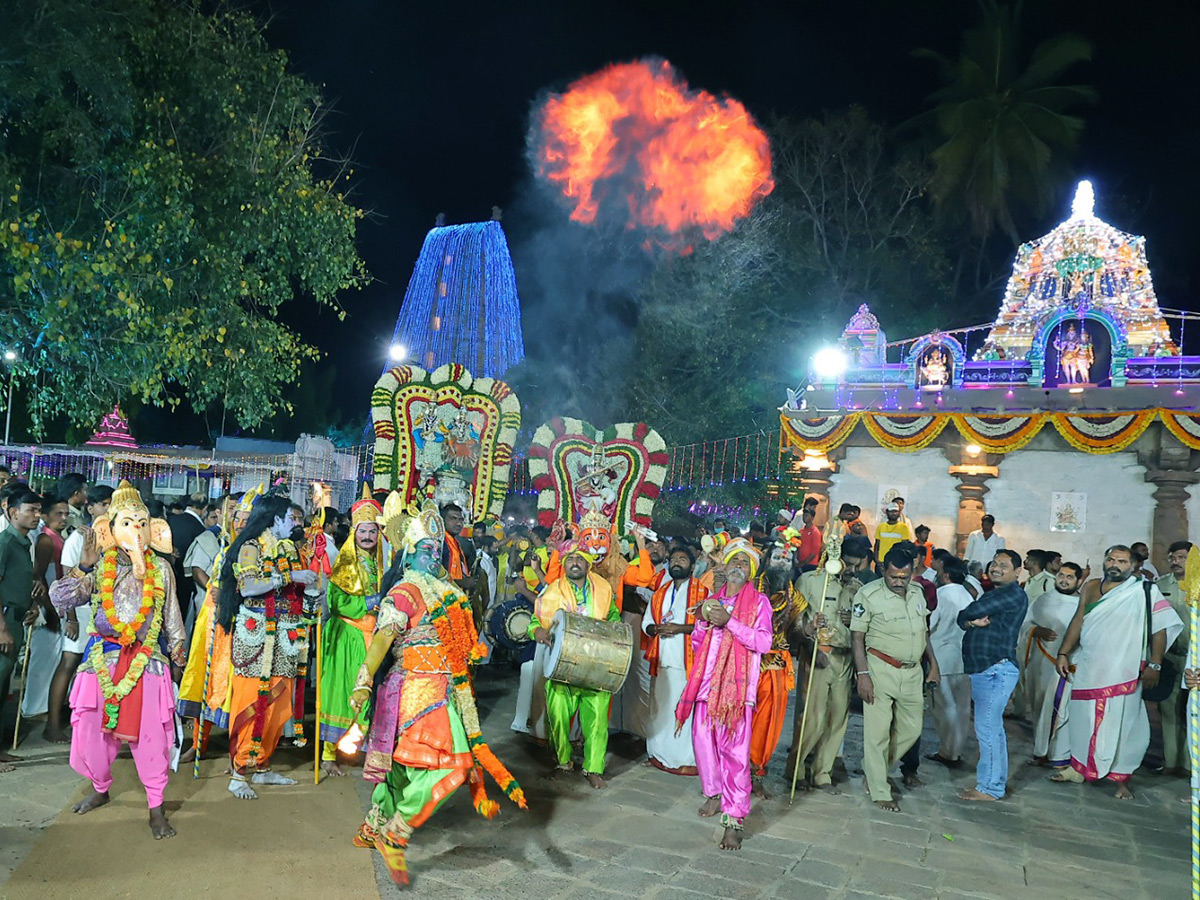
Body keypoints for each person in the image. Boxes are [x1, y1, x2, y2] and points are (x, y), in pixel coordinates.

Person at [349, 501, 526, 886]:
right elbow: (382, 639)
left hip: (444, 686)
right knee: (453, 765)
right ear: (408, 553)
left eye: (436, 550)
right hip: (414, 688)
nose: (432, 555)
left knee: (401, 767)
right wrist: (363, 682)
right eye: (424, 549)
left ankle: (371, 827)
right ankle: (396, 832)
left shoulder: (446, 590)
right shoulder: (406, 591)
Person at [48, 481, 185, 838]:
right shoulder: (99, 567)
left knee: (153, 740)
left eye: (142, 523)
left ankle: (156, 809)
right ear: (109, 529)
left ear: (153, 529)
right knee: (91, 736)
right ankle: (100, 787)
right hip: (101, 660)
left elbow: (173, 621)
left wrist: (180, 658)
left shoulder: (162, 570)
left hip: (147, 662)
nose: (136, 531)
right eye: (127, 523)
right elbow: (60, 599)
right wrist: (82, 567)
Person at [1053, 545, 1182, 798]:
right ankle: (1078, 768)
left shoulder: (1145, 590)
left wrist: (1155, 664)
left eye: (1122, 561)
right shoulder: (1091, 587)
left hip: (1125, 670)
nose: (1115, 564)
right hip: (1089, 666)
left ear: (1133, 566)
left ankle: (1121, 779)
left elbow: (1160, 629)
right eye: (1111, 559)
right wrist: (1063, 652)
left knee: (1124, 724)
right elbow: (1078, 620)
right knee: (1081, 719)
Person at [214, 492, 319, 799]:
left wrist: (311, 592)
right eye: (291, 518)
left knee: (279, 700)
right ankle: (238, 773)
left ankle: (262, 766)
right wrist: (290, 576)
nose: (295, 524)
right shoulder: (251, 548)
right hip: (257, 635)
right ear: (275, 520)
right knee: (253, 701)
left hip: (286, 634)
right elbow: (249, 588)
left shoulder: (288, 549)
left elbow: (296, 590)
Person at [675, 538, 772, 851]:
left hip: (736, 692)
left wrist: (730, 622)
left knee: (735, 756)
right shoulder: (711, 600)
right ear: (724, 566)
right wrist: (704, 622)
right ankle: (715, 792)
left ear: (751, 572)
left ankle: (734, 819)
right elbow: (697, 643)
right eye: (734, 561)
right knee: (703, 745)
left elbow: (763, 642)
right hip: (705, 687)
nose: (738, 567)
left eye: (745, 563)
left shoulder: (759, 603)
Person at [850, 546, 940, 812]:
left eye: (904, 576)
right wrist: (863, 675)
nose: (899, 582)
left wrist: (933, 665)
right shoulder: (867, 595)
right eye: (893, 577)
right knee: (877, 733)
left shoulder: (918, 593)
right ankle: (879, 790)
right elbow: (857, 637)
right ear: (883, 571)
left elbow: (923, 633)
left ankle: (873, 769)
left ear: (912, 571)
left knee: (912, 729)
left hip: (913, 672)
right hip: (879, 668)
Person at [530, 537, 622, 789]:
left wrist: (614, 626)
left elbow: (612, 614)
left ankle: (593, 769)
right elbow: (534, 621)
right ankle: (563, 762)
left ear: (588, 564)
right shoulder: (552, 590)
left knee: (596, 719)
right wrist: (537, 630)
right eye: (569, 558)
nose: (574, 562)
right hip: (563, 664)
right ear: (564, 563)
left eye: (580, 558)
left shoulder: (603, 588)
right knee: (557, 713)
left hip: (597, 662)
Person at [955, 549, 1028, 801]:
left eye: (1004, 565)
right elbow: (966, 617)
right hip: (987, 667)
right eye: (994, 563)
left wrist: (968, 618)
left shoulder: (1011, 594)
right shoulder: (998, 592)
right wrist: (970, 622)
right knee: (990, 728)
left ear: (1018, 572)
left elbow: (969, 611)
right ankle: (990, 784)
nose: (996, 568)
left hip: (995, 668)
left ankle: (991, 788)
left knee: (988, 728)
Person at [792, 536, 863, 793]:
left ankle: (822, 773)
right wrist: (810, 642)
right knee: (813, 719)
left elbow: (863, 628)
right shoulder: (811, 582)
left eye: (857, 565)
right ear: (836, 558)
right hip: (818, 656)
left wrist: (850, 621)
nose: (852, 571)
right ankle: (797, 769)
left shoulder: (857, 588)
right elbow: (795, 622)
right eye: (848, 564)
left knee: (837, 719)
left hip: (844, 659)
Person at [319, 491, 382, 776]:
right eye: (362, 531)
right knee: (341, 693)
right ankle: (329, 755)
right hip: (347, 636)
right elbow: (337, 603)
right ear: (354, 532)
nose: (367, 536)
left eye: (372, 530)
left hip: (375, 638)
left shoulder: (382, 562)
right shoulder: (345, 564)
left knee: (370, 694)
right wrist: (369, 602)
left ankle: (362, 748)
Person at [47, 485, 114, 743]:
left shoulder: (113, 537)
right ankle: (52, 725)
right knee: (69, 663)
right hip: (80, 610)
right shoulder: (79, 537)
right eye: (104, 504)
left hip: (103, 614)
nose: (108, 509)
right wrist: (72, 618)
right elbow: (67, 579)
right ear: (90, 508)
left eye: (112, 504)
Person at [642, 544, 706, 774]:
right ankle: (658, 755)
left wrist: (680, 628)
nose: (677, 562)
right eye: (673, 559)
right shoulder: (660, 593)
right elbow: (646, 623)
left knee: (684, 710)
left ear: (692, 565)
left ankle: (686, 760)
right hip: (662, 660)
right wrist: (656, 628)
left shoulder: (702, 592)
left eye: (682, 559)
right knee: (660, 709)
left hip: (688, 663)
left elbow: (707, 626)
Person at [749, 543, 805, 797]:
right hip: (746, 661)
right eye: (777, 557)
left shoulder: (795, 597)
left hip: (775, 666)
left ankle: (756, 772)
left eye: (787, 558)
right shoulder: (749, 589)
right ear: (766, 559)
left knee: (767, 724)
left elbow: (796, 632)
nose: (782, 562)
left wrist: (811, 629)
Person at [1021, 561, 1083, 768]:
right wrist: (1035, 631)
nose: (1064, 580)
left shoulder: (1082, 604)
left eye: (1070, 577)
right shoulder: (1043, 600)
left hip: (1067, 666)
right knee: (1039, 705)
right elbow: (1026, 623)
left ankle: (1057, 753)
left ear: (1079, 580)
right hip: (1041, 663)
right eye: (1061, 576)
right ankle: (1040, 749)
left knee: (1060, 709)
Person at [0, 490, 40, 773]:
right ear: (14, 512)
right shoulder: (4, 543)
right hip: (4, 621)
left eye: (39, 510)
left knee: (4, 688)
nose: (37, 515)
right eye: (32, 510)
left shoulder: (24, 542)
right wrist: (2, 629)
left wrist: (32, 604)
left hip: (17, 617)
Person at [21, 493, 69, 723]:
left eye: (66, 514)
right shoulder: (46, 540)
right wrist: (47, 609)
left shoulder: (58, 537)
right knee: (43, 660)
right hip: (46, 606)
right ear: (46, 516)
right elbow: (38, 577)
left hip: (56, 605)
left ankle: (43, 706)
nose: (64, 518)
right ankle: (33, 708)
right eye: (58, 514)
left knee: (52, 660)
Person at [926, 558, 973, 768]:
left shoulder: (941, 594)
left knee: (944, 706)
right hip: (963, 658)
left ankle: (948, 751)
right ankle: (955, 750)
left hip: (941, 658)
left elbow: (929, 624)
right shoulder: (968, 595)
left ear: (945, 575)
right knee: (962, 707)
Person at [1156, 541, 1193, 776]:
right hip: (1170, 656)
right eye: (1172, 557)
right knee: (1168, 710)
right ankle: (1171, 762)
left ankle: (1191, 766)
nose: (1175, 561)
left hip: (1195, 661)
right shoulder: (1160, 585)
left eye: (1181, 557)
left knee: (1192, 713)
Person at [181, 500, 221, 641]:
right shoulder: (208, 537)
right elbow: (197, 571)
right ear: (219, 512)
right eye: (231, 508)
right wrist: (216, 592)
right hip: (209, 600)